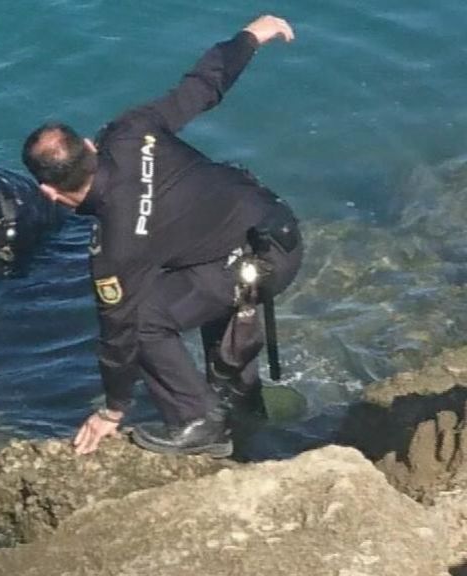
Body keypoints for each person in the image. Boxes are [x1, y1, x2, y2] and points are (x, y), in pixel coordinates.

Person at [21, 15, 303, 458]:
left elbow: (118, 337)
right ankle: (247, 412)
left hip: (253, 260)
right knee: (200, 288)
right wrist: (250, 36)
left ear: (49, 192)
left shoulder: (114, 249)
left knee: (144, 316)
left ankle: (198, 421)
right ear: (91, 148)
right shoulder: (130, 131)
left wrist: (113, 410)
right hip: (274, 228)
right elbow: (201, 87)